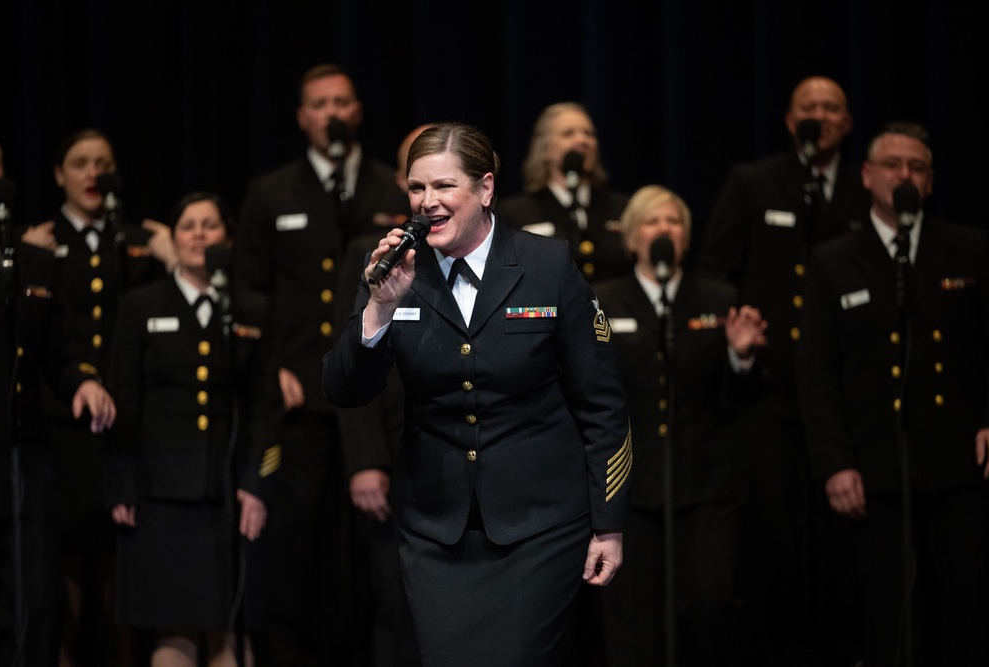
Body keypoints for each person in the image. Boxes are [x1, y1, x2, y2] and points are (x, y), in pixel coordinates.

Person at [322, 122, 632, 666]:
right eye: (417, 189)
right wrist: (378, 307)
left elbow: (601, 402)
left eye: (444, 187)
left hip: (540, 525)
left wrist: (608, 522)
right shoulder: (396, 270)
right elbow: (345, 389)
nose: (427, 203)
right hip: (436, 528)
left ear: (485, 189)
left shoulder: (546, 265)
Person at [235, 63, 410, 664]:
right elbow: (250, 290)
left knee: (376, 556)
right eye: (319, 103)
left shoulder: (394, 190)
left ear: (357, 112)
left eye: (342, 101)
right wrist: (273, 363)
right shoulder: (272, 192)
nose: (332, 112)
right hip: (303, 396)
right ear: (302, 117)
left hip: (378, 393)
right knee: (300, 547)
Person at [694, 75, 872, 663]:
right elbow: (716, 269)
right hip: (766, 392)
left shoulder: (860, 188)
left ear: (847, 123)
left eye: (832, 107)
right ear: (791, 121)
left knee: (839, 549)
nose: (820, 115)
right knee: (770, 542)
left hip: (843, 393)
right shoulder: (755, 181)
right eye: (808, 108)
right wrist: (736, 333)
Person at [797, 121, 989, 665]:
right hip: (874, 471)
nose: (904, 175)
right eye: (892, 165)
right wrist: (834, 463)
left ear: (930, 182)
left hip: (960, 469)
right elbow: (816, 373)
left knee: (968, 613)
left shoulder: (969, 248)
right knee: (888, 621)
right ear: (867, 175)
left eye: (917, 167)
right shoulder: (834, 260)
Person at [595, 185, 766, 666]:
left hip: (706, 484)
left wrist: (740, 355)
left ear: (687, 238)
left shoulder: (718, 298)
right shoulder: (603, 302)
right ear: (631, 238)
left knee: (710, 603)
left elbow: (741, 401)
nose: (663, 230)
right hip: (630, 489)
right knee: (634, 622)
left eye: (673, 222)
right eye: (652, 222)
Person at [106, 192, 274, 666]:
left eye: (210, 225)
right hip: (160, 496)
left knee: (232, 634)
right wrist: (120, 482)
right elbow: (124, 399)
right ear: (173, 239)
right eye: (187, 226)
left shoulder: (249, 308)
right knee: (173, 633)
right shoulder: (140, 305)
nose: (199, 234)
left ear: (229, 237)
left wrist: (256, 485)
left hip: (230, 498)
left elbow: (266, 407)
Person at [40, 128, 175, 666]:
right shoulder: (43, 240)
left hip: (126, 422)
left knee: (127, 565)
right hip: (66, 421)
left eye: (103, 163)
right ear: (59, 174)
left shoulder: (138, 238)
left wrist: (165, 254)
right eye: (80, 163)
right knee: (67, 564)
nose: (92, 173)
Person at [0, 145, 117, 666]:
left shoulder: (32, 261)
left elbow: (61, 350)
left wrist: (82, 381)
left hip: (25, 457)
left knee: (35, 601)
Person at [333, 124, 433, 667]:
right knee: (398, 608)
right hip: (394, 455)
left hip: (468, 465)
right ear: (402, 181)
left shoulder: (494, 255)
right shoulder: (372, 254)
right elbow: (353, 359)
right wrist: (365, 461)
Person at [498, 101, 631, 283]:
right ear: (544, 149)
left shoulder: (622, 207)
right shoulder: (514, 212)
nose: (582, 140)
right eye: (568, 134)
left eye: (589, 134)